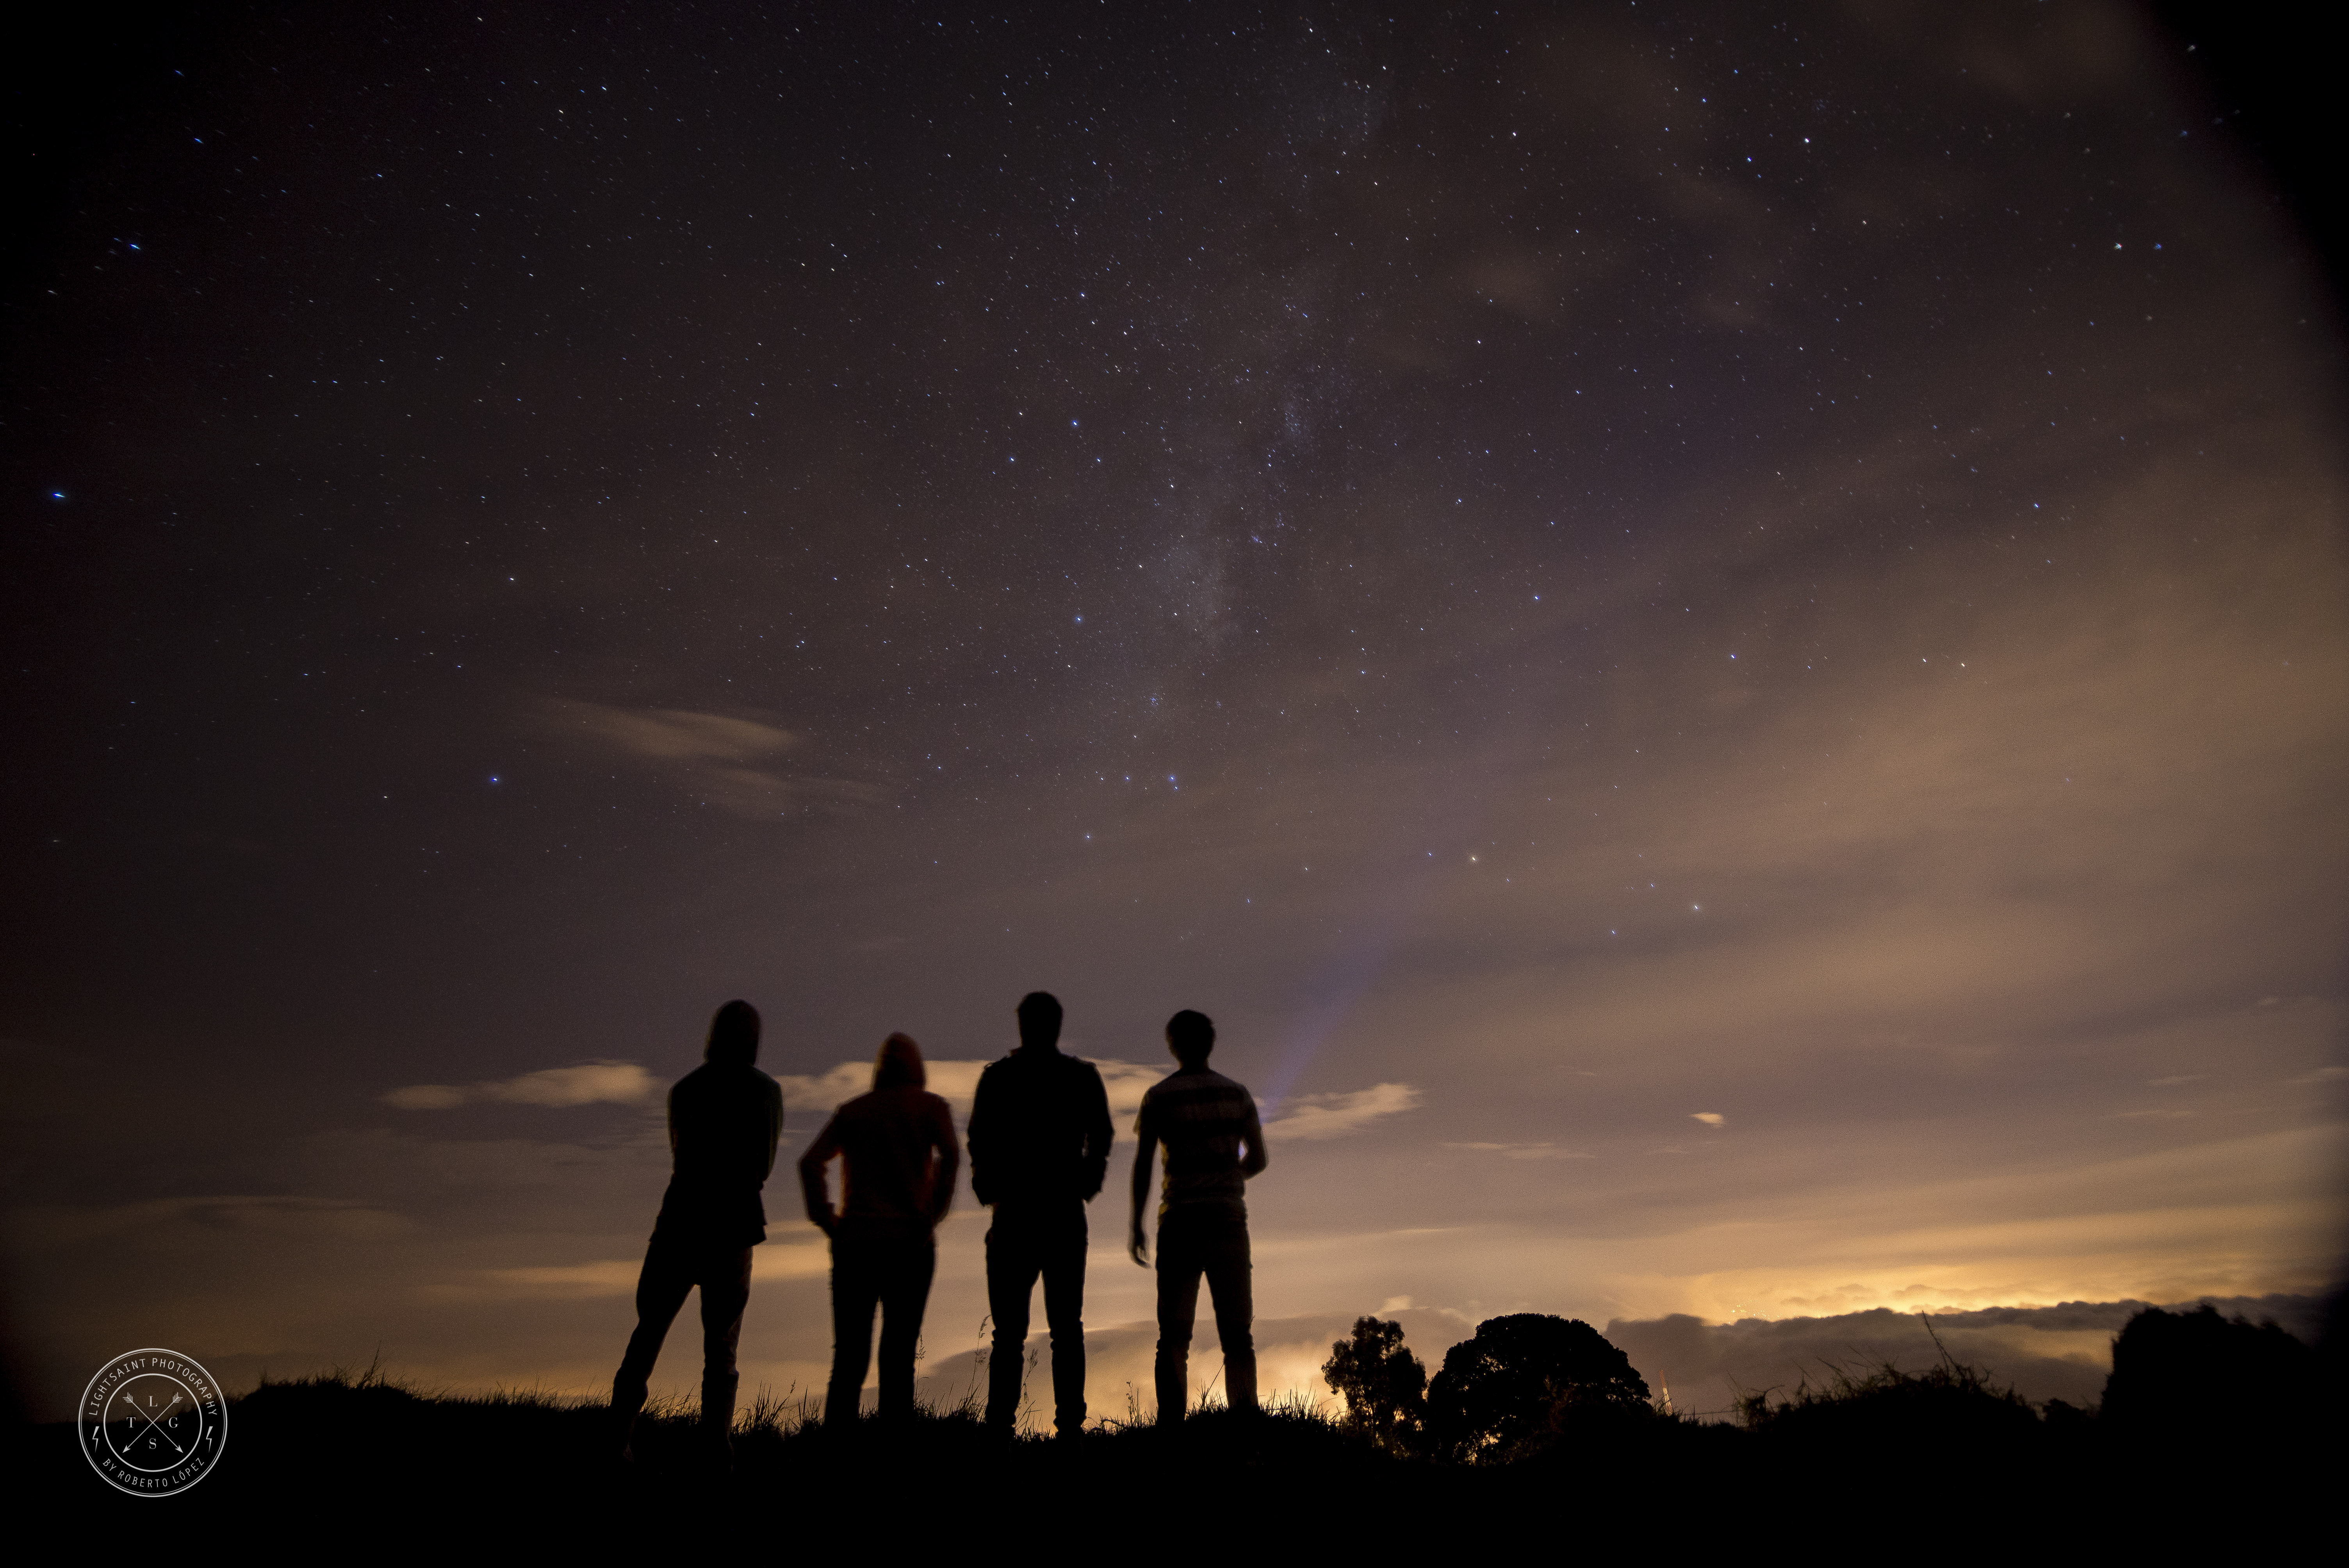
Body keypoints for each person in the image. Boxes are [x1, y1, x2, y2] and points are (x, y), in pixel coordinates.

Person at [609, 999, 783, 1466]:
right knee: (722, 1347)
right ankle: (715, 1450)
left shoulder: (685, 1089)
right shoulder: (765, 1091)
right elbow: (764, 1162)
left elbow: (679, 1153)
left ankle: (616, 1440)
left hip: (679, 1220)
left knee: (647, 1332)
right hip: (734, 1224)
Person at [966, 991, 1113, 1437]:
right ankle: (1068, 1431)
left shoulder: (999, 1077)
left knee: (1010, 1333)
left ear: (1022, 1024)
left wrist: (990, 1190)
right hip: (1061, 1213)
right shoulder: (1080, 1076)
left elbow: (979, 1139)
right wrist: (1085, 1185)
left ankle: (1001, 1431)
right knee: (1065, 1329)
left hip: (1015, 1214)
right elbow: (1101, 1135)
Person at [798, 1032, 959, 1427]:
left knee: (849, 1359)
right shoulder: (930, 1107)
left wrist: (827, 1219)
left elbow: (811, 1162)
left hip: (856, 1245)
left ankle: (837, 1452)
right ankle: (893, 1455)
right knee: (899, 1357)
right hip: (911, 1245)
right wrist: (934, 1213)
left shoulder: (854, 1111)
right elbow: (952, 1155)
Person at [1128, 1009, 1267, 1423]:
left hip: (1179, 1221)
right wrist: (1228, 1177)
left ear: (1173, 1045)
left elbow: (1143, 1163)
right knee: (1237, 1334)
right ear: (1210, 1043)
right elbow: (1258, 1158)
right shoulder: (1237, 1094)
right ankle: (1245, 1420)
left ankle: (1172, 1425)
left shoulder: (1159, 1096)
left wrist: (1136, 1223)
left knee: (1173, 1334)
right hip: (1227, 1221)